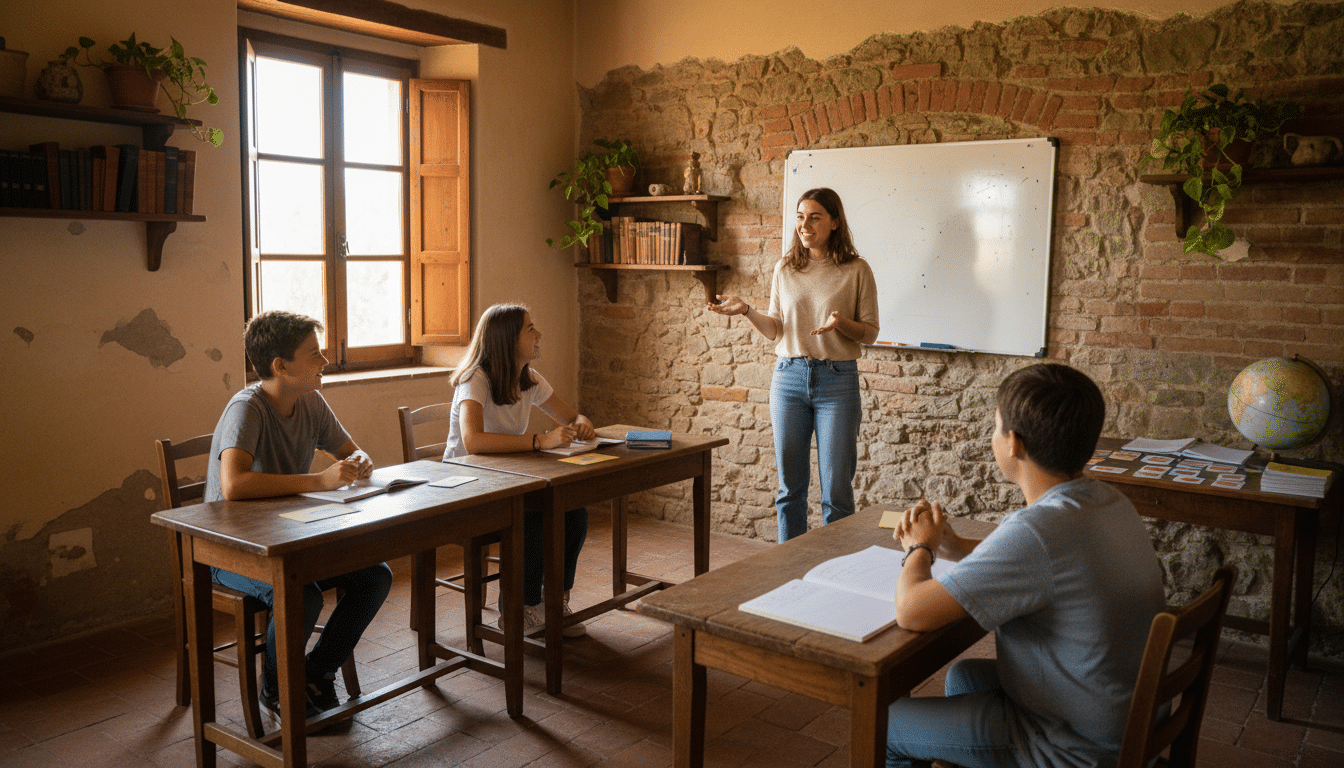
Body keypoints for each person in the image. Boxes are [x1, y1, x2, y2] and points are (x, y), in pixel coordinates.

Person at [885, 364, 1164, 768]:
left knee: (886, 724)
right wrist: (954, 545)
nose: (993, 436)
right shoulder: (1106, 500)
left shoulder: (1036, 530)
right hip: (1119, 715)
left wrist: (919, 548)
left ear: (1013, 443)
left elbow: (912, 612)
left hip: (1074, 746)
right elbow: (1041, 563)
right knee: (963, 676)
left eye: (996, 426)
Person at [204, 310, 393, 720]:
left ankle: (315, 672)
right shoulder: (247, 409)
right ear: (280, 366)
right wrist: (318, 482)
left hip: (289, 539)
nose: (325, 362)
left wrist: (359, 463)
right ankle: (277, 689)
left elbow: (350, 451)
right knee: (300, 593)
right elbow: (234, 485)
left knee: (375, 576)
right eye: (314, 354)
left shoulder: (310, 400)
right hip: (231, 550)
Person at [708, 187, 879, 542]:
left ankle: (834, 572)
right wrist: (747, 310)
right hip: (789, 378)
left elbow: (870, 333)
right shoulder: (785, 268)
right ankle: (792, 571)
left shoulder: (857, 269)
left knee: (836, 492)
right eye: (800, 217)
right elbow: (775, 329)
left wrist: (840, 324)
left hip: (837, 381)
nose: (805, 224)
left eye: (815, 217)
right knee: (790, 489)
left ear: (834, 222)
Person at [443, 304, 593, 637]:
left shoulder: (528, 379)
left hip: (509, 480)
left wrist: (582, 424)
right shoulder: (475, 378)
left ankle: (553, 600)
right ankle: (517, 608)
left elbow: (572, 416)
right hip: (467, 486)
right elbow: (473, 442)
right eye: (530, 329)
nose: (538, 335)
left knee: (575, 514)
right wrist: (541, 440)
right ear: (507, 339)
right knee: (535, 518)